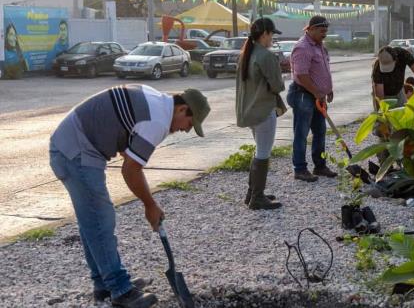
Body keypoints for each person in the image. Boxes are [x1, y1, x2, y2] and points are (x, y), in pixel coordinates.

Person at [49, 85, 210, 307]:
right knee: (100, 220)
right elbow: (130, 169)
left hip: (72, 145)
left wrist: (149, 202)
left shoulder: (155, 100)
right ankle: (120, 290)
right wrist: (150, 205)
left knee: (92, 221)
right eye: (190, 125)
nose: (186, 130)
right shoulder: (158, 122)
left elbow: (126, 144)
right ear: (182, 110)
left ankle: (104, 285)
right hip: (76, 151)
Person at [236, 18, 286, 210]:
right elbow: (278, 86)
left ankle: (252, 193)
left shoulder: (246, 54)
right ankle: (257, 197)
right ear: (264, 33)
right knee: (263, 153)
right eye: (272, 34)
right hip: (264, 110)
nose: (272, 38)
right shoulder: (266, 56)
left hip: (249, 110)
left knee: (259, 151)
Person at [287, 16, 338, 182]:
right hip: (304, 95)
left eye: (326, 31)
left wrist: (328, 90)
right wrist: (317, 92)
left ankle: (320, 165)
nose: (325, 34)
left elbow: (323, 70)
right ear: (311, 29)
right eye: (322, 31)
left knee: (320, 131)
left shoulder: (320, 47)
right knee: (301, 133)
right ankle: (300, 169)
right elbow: (301, 75)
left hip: (318, 96)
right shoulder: (303, 47)